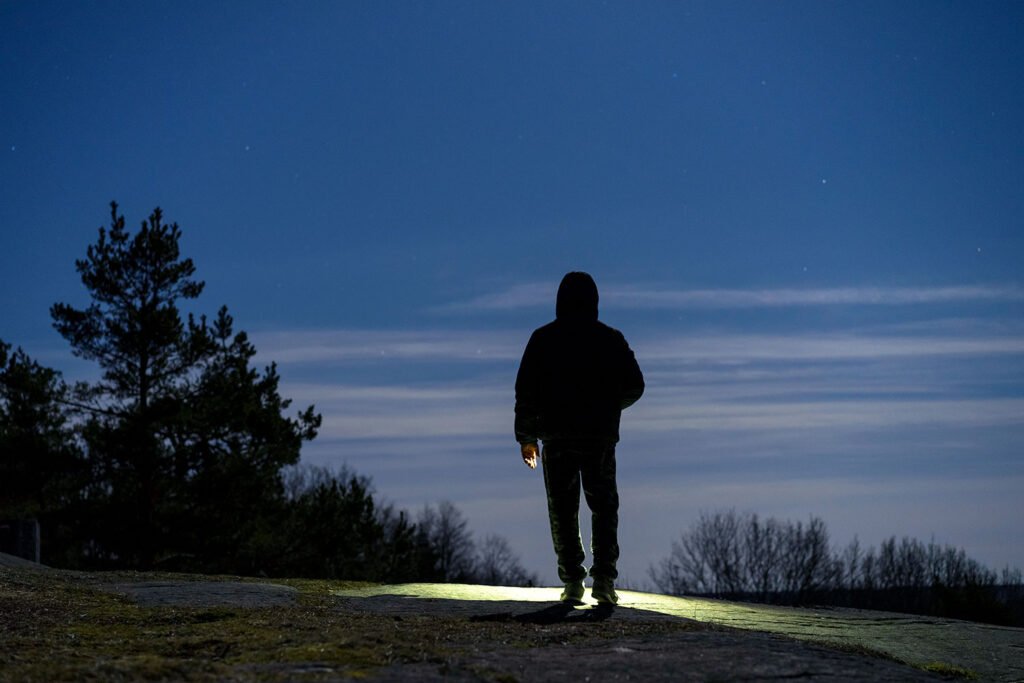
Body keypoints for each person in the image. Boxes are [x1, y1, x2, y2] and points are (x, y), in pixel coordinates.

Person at [514, 272, 644, 605]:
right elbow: (635, 385)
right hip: (598, 437)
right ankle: (603, 580)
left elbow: (526, 393)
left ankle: (573, 580)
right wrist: (608, 408)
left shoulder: (543, 339)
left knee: (562, 510)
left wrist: (527, 438)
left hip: (557, 438)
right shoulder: (610, 339)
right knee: (603, 508)